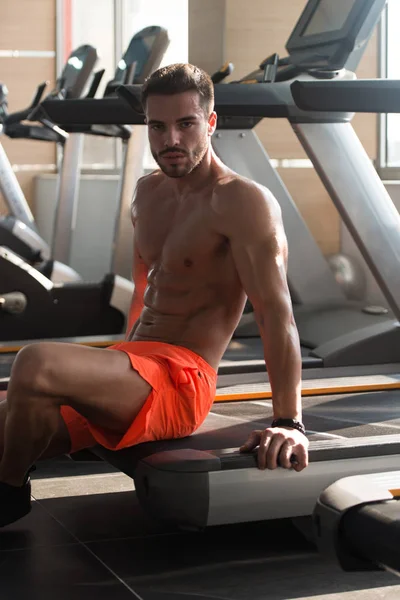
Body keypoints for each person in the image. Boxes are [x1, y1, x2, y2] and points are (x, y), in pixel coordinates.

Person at [0, 63, 309, 528]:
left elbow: (275, 315)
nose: (171, 140)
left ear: (210, 122)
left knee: (34, 363)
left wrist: (289, 422)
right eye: (158, 126)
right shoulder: (147, 193)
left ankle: (7, 492)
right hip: (131, 370)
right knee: (18, 402)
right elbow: (146, 294)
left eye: (186, 124)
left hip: (181, 381)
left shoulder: (242, 202)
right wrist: (104, 373)